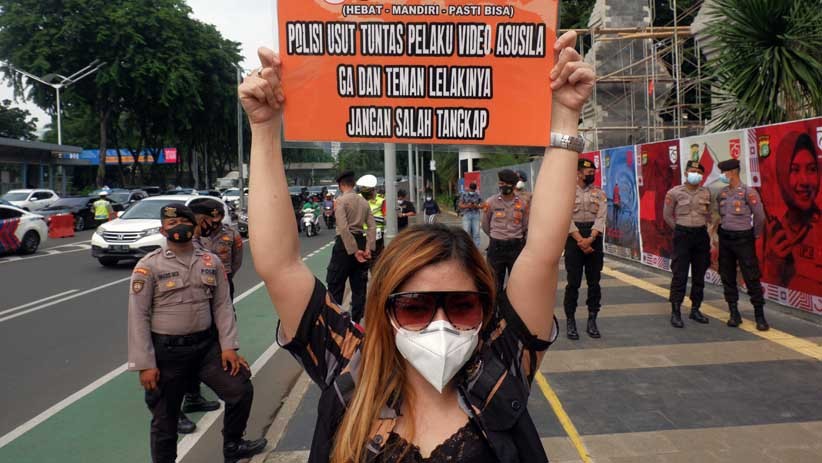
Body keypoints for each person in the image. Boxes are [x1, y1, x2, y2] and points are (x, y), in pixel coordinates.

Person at [241, 30, 592, 462]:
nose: (439, 325)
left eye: (462, 306)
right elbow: (280, 267)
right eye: (414, 307)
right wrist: (263, 127)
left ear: (485, 308)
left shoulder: (501, 367)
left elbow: (541, 252)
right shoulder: (351, 369)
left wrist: (565, 115)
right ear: (385, 309)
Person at [127, 204, 266, 463]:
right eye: (171, 223)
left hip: (206, 349)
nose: (178, 226)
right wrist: (145, 364)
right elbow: (138, 316)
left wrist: (228, 347)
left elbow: (222, 305)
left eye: (184, 221)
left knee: (240, 390)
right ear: (162, 229)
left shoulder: (210, 261)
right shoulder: (148, 267)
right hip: (167, 353)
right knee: (165, 421)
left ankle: (233, 445)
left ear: (194, 227)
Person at [763, 132, 821, 294]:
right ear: (782, 176)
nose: (804, 181)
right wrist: (775, 266)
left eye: (811, 169)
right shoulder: (771, 233)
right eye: (794, 170)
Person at [716, 159, 769, 331]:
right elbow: (721, 216)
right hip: (725, 239)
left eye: (724, 172)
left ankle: (759, 316)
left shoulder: (748, 192)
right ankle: (734, 313)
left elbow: (759, 216)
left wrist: (755, 234)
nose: (722, 175)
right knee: (727, 275)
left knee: (751, 275)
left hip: (744, 238)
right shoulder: (722, 193)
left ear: (731, 172)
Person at [663, 161, 712, 328]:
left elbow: (711, 215)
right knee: (680, 274)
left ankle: (695, 309)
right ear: (685, 172)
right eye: (692, 170)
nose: (695, 173)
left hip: (700, 235)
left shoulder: (706, 192)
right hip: (682, 235)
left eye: (699, 171)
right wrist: (679, 230)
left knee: (699, 274)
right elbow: (667, 215)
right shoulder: (674, 192)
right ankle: (676, 311)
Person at [563, 159, 607, 339]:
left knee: (594, 282)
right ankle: (570, 321)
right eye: (588, 172)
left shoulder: (599, 193)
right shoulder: (566, 192)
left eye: (593, 172)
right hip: (574, 238)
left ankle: (592, 320)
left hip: (593, 237)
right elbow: (564, 217)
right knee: (573, 283)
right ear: (578, 173)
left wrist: (591, 238)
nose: (591, 174)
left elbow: (602, 217)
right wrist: (580, 240)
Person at [326, 171, 376, 322]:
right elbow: (372, 227)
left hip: (344, 246)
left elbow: (343, 227)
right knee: (359, 288)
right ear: (353, 184)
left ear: (341, 185)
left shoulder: (340, 201)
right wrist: (368, 249)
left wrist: (354, 251)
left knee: (335, 285)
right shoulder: (364, 202)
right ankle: (357, 324)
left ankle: (336, 323)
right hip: (361, 241)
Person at [482, 169, 529, 295]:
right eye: (501, 183)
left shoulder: (522, 204)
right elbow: (485, 225)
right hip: (496, 247)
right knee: (494, 283)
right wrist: (496, 237)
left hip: (515, 247)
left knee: (517, 283)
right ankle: (494, 313)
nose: (502, 186)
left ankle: (511, 312)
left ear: (513, 185)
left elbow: (524, 225)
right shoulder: (491, 202)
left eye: (506, 183)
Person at [191, 198, 244, 300]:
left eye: (218, 219)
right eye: (210, 219)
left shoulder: (232, 234)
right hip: (198, 279)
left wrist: (225, 275)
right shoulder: (194, 234)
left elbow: (237, 260)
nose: (214, 223)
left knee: (227, 311)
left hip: (224, 279)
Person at [358, 174, 387, 263]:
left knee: (376, 259)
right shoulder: (357, 198)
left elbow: (386, 218)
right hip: (361, 232)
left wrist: (371, 218)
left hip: (376, 233)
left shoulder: (381, 200)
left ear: (373, 189)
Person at [458, 182, 483, 248]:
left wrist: (476, 206)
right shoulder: (464, 195)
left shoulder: (478, 195)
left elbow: (482, 205)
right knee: (466, 232)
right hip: (466, 214)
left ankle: (476, 248)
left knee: (476, 233)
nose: (472, 191)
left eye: (473, 190)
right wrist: (467, 206)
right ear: (469, 188)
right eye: (471, 190)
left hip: (476, 215)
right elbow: (460, 205)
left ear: (475, 189)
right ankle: (466, 247)